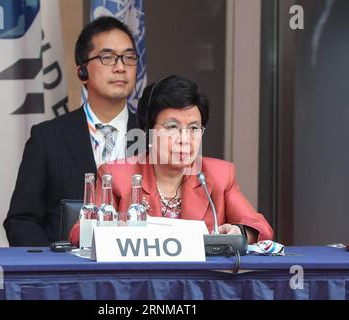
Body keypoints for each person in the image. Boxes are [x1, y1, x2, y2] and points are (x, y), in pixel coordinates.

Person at [69, 75, 273, 246]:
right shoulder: (116, 176)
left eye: (193, 129)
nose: (184, 139)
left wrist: (240, 231)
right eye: (172, 127)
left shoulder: (220, 175)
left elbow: (260, 228)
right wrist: (114, 230)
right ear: (149, 131)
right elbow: (80, 234)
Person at [4, 17, 140, 246]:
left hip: (138, 276)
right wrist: (58, 264)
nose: (120, 67)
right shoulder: (47, 138)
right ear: (82, 72)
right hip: (68, 276)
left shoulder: (152, 137)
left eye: (128, 57)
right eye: (107, 57)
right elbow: (21, 221)